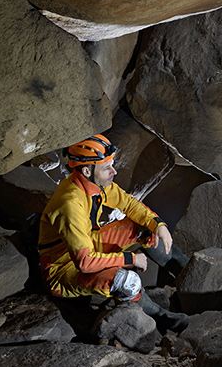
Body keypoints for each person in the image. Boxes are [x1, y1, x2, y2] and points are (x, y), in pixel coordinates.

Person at [38, 134, 189, 332]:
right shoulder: (70, 205)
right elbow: (85, 263)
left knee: (145, 229)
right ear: (86, 169)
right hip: (63, 270)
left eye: (112, 164)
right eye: (106, 167)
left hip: (88, 243)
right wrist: (130, 259)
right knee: (127, 281)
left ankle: (188, 274)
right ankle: (162, 320)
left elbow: (128, 204)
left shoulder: (93, 184)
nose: (114, 171)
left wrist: (158, 224)